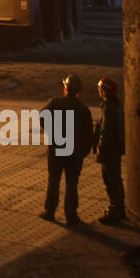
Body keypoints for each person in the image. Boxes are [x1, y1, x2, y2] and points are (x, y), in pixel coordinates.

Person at [39, 74, 94, 226]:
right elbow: (89, 134)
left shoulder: (55, 103)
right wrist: (84, 151)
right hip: (75, 153)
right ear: (78, 91)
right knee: (71, 183)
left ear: (65, 88)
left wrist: (52, 132)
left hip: (57, 150)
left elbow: (42, 117)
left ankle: (49, 211)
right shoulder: (84, 109)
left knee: (54, 181)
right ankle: (71, 216)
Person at [93, 76, 126, 223]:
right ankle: (120, 208)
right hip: (116, 148)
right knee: (117, 179)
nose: (98, 91)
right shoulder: (117, 105)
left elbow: (105, 131)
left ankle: (114, 211)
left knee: (110, 179)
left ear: (104, 91)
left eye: (100, 88)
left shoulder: (109, 108)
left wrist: (101, 149)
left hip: (109, 150)